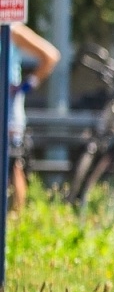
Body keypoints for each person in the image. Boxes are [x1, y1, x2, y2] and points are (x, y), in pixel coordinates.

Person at [6, 24, 59, 210]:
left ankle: (17, 218)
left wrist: (26, 86)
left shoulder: (11, 30)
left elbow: (50, 56)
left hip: (8, 108)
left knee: (13, 164)